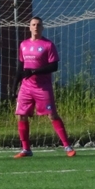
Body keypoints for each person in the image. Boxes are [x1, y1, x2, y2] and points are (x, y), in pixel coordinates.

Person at [13, 17, 76, 158]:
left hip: (43, 87)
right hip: (26, 87)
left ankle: (67, 146)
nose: (36, 27)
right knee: (21, 115)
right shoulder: (23, 45)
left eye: (38, 25)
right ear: (29, 27)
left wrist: (34, 72)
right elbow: (20, 68)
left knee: (52, 115)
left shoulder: (48, 45)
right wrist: (14, 87)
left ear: (42, 28)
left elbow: (54, 66)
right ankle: (26, 149)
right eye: (33, 24)